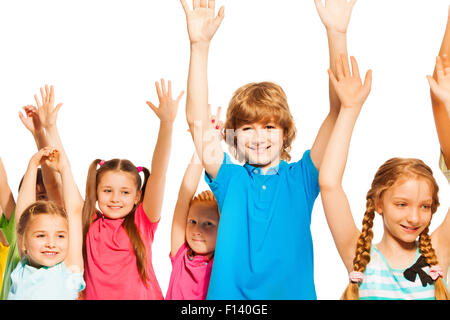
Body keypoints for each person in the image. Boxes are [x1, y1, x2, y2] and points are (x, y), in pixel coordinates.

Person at [180, 0, 355, 299]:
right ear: (233, 137)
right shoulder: (230, 179)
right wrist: (199, 47)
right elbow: (197, 119)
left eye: (269, 127)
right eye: (247, 128)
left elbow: (340, 110)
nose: (258, 137)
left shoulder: (301, 178)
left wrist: (336, 34)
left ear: (285, 132)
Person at [319, 54, 449, 300]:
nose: (414, 217)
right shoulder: (361, 257)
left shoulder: (436, 255)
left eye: (425, 206)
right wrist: (348, 110)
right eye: (401, 204)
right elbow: (329, 183)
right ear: (378, 203)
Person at [82, 79, 184, 299]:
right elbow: (58, 182)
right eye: (107, 190)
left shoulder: (142, 222)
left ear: (138, 196)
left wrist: (167, 124)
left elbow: (158, 175)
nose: (115, 198)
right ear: (96, 192)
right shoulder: (88, 223)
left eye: (125, 192)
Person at [0, 85, 64, 299]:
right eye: (33, 194)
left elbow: (53, 179)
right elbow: (2, 183)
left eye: (44, 196)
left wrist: (40, 134)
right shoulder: (17, 222)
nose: (38, 200)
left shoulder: (56, 235)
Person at [8, 146, 85, 300]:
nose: (51, 243)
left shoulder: (69, 268)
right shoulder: (24, 266)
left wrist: (64, 169)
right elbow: (23, 214)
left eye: (60, 236)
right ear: (23, 241)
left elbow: (75, 211)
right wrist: (32, 166)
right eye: (41, 235)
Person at [166, 108, 222, 300]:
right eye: (193, 222)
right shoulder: (180, 254)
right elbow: (184, 196)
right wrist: (202, 147)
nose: (197, 229)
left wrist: (214, 146)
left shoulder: (224, 261)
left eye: (208, 224)